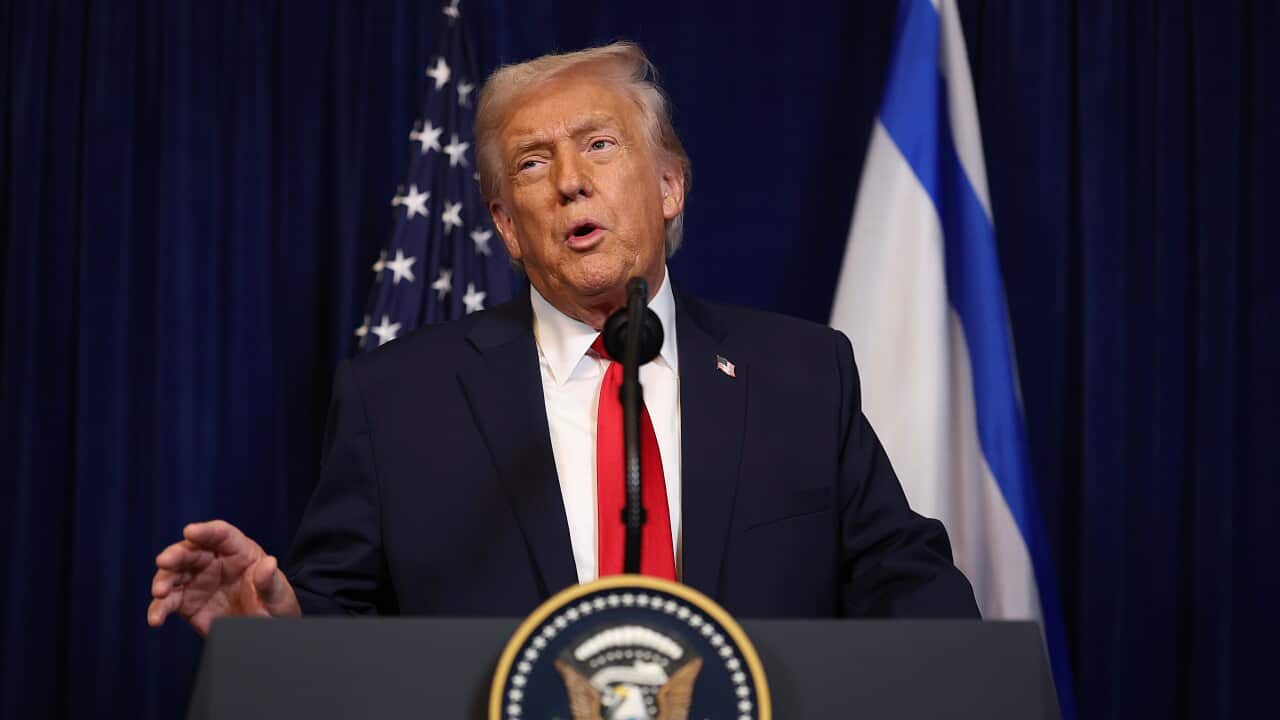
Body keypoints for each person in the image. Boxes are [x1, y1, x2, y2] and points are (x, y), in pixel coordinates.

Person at [147, 42, 978, 637]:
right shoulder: (397, 400)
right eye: (533, 164)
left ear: (669, 185)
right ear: (508, 227)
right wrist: (277, 624)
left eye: (599, 145)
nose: (571, 181)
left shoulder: (801, 374)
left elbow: (907, 587)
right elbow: (338, 619)